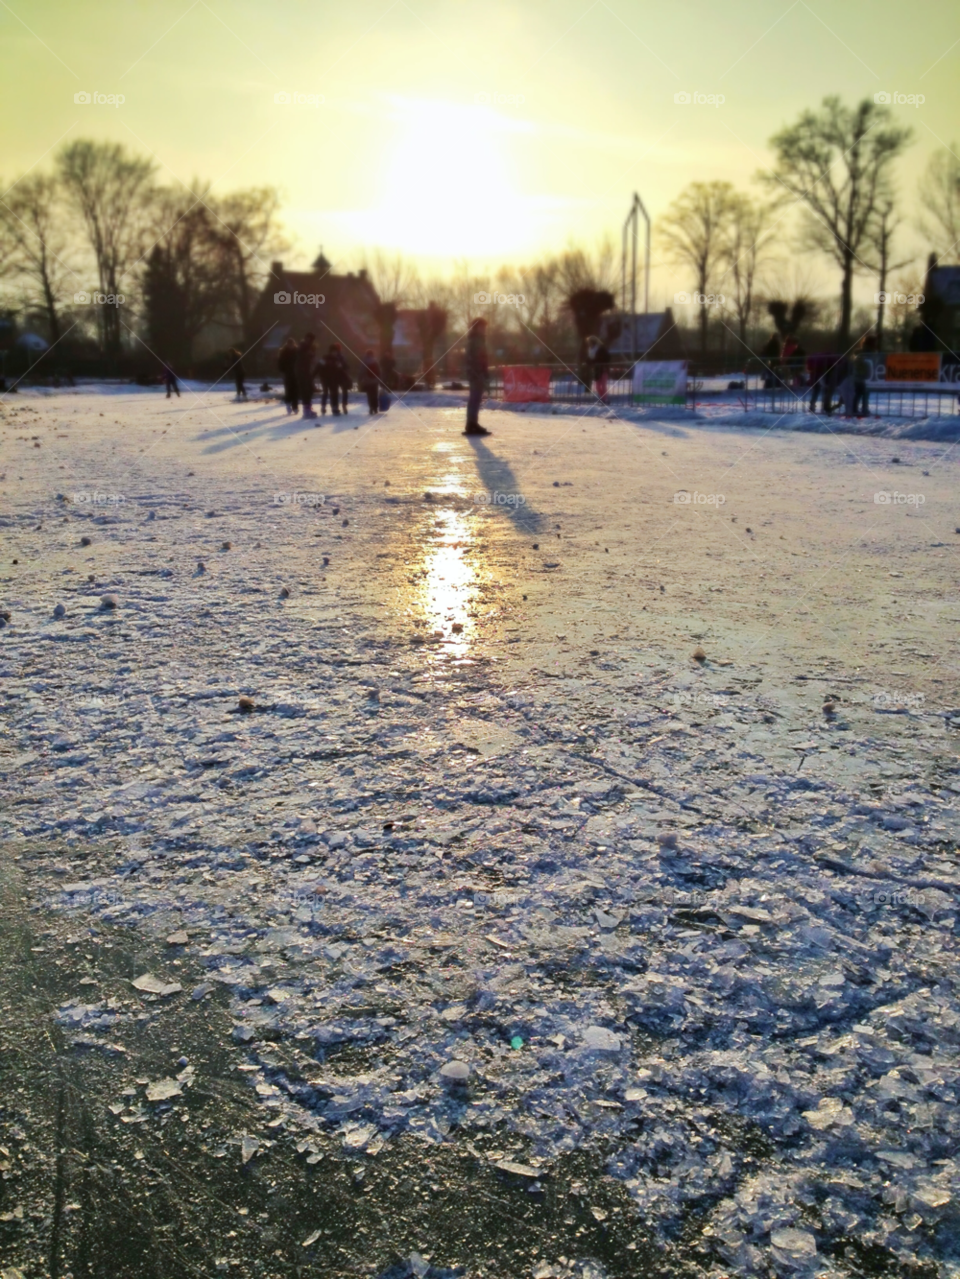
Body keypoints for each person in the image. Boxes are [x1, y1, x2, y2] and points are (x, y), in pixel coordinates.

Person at [463, 317, 490, 436]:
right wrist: (477, 372)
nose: (484, 330)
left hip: (478, 373)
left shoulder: (479, 340)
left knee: (476, 398)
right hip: (475, 374)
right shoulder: (474, 341)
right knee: (474, 398)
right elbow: (472, 358)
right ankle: (471, 424)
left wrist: (485, 370)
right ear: (477, 328)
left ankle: (473, 422)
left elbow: (482, 357)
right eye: (482, 327)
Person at [296, 333, 318, 419]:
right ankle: (306, 410)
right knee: (305, 390)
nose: (310, 341)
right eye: (309, 339)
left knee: (310, 390)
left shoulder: (309, 347)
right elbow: (303, 357)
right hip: (302, 371)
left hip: (306, 370)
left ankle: (308, 408)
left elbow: (311, 357)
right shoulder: (302, 347)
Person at [277, 337, 299, 414]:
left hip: (295, 373)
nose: (291, 346)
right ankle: (288, 404)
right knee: (289, 390)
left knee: (295, 390)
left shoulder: (297, 351)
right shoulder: (283, 352)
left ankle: (295, 406)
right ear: (287, 345)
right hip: (287, 373)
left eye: (292, 345)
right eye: (290, 345)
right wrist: (283, 372)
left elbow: (299, 361)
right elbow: (280, 363)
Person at [359, 349, 381, 415]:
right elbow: (379, 371)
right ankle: (375, 407)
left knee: (370, 395)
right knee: (375, 394)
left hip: (367, 381)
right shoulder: (375, 361)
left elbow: (361, 371)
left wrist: (360, 379)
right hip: (375, 381)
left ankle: (371, 407)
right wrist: (379, 379)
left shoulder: (364, 361)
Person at [591, 335, 611, 403]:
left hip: (603, 369)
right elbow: (595, 359)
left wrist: (604, 366)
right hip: (598, 370)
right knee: (598, 386)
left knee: (603, 385)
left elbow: (607, 359)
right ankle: (603, 398)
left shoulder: (604, 350)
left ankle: (604, 399)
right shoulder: (595, 351)